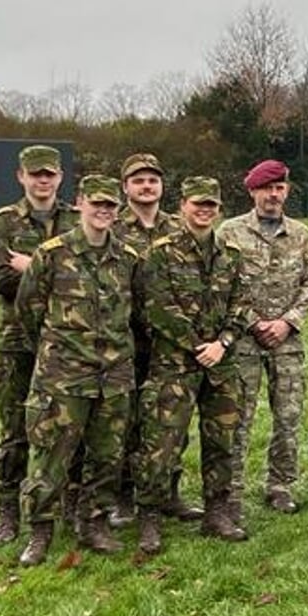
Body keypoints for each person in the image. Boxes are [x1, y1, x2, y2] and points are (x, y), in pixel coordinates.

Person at [13, 175, 141, 565]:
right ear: (81, 203)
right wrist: (59, 351)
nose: (104, 211)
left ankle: (94, 523)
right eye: (97, 203)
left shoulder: (129, 258)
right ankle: (40, 531)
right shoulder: (52, 254)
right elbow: (29, 309)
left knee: (107, 456)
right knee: (52, 455)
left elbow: (136, 315)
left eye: (111, 206)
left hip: (114, 374)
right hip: (64, 375)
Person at [131, 177, 250, 555]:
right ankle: (149, 515)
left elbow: (241, 305)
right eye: (198, 204)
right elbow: (156, 308)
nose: (204, 210)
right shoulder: (160, 253)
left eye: (211, 205)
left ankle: (217, 511)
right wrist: (200, 346)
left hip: (221, 366)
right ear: (182, 205)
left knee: (222, 442)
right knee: (162, 443)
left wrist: (223, 343)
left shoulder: (230, 254)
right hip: (174, 366)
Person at [0, 144, 76, 545]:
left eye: (49, 174)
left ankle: (69, 508)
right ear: (21, 176)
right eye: (35, 173)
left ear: (59, 177)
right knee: (15, 429)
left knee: (70, 430)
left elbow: (86, 279)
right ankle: (7, 513)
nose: (42, 180)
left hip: (69, 342)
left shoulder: (76, 218)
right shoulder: (4, 221)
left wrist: (34, 263)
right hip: (18, 340)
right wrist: (56, 269)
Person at [220, 159, 308, 514]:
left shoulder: (301, 234)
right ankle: (229, 491)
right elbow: (222, 284)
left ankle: (280, 485)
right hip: (244, 341)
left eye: (279, 188)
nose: (273, 195)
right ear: (252, 191)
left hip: (287, 342)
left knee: (288, 417)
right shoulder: (229, 232)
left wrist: (288, 321)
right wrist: (253, 322)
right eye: (267, 189)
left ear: (287, 191)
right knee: (237, 418)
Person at [109, 152, 193, 527]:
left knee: (171, 421)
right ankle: (126, 496)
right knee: (127, 421)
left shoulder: (179, 228)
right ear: (125, 186)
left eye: (153, 180)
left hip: (169, 344)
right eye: (139, 180)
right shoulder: (111, 226)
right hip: (126, 341)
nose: (146, 186)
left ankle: (168, 492)